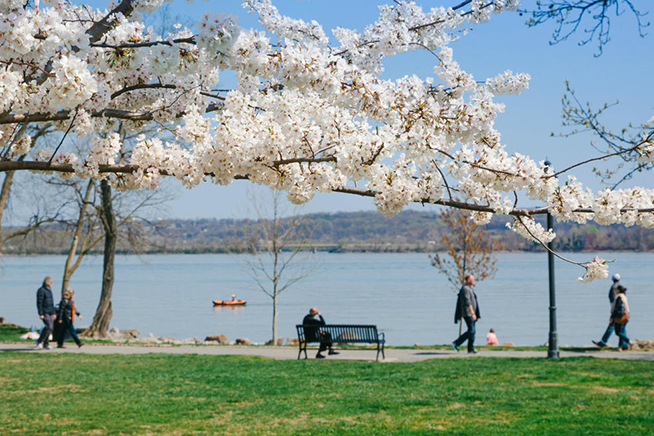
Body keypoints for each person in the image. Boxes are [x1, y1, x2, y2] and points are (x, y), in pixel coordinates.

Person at [452, 274, 481, 354]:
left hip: (472, 313)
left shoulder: (470, 289)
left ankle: (470, 349)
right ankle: (457, 343)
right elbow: (468, 301)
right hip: (468, 313)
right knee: (471, 331)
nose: (474, 281)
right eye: (473, 279)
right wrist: (472, 313)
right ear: (468, 280)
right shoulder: (465, 289)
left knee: (472, 331)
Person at [593, 273, 621, 348]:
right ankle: (623, 344)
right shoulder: (620, 287)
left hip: (615, 310)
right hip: (620, 310)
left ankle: (603, 342)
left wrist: (612, 310)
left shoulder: (613, 288)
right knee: (619, 327)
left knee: (612, 326)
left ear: (612, 279)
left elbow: (613, 301)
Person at [35, 276, 57, 350]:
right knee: (48, 327)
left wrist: (54, 313)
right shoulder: (41, 290)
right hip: (45, 312)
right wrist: (41, 313)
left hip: (50, 311)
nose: (51, 284)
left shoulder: (49, 291)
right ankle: (39, 341)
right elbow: (39, 303)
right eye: (51, 282)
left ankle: (46, 343)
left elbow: (51, 302)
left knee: (51, 328)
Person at [611, 285, 631, 351]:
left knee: (618, 332)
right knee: (622, 331)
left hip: (620, 316)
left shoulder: (619, 297)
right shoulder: (624, 296)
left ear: (618, 290)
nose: (615, 291)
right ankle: (621, 347)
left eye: (616, 289)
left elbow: (617, 308)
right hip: (626, 315)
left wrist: (612, 316)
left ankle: (628, 341)